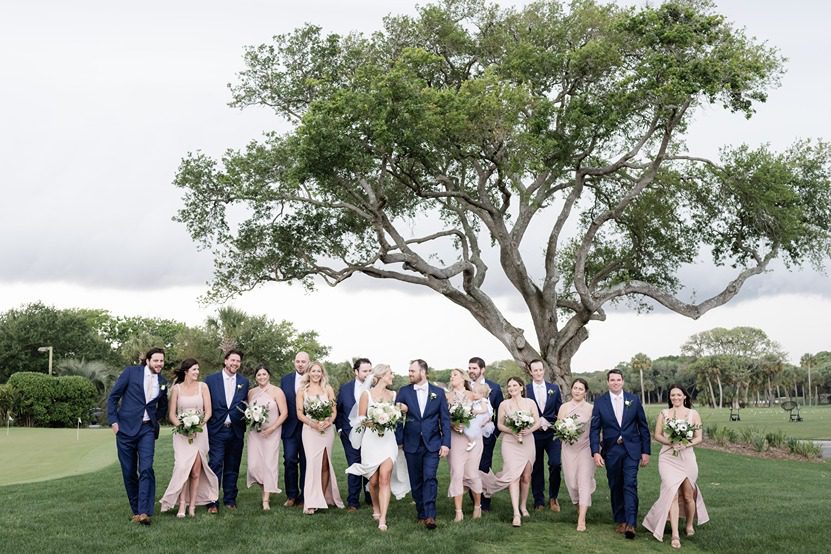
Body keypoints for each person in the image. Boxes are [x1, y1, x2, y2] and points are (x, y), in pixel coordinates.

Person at [107, 347, 169, 525]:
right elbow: (113, 397)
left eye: (162, 361)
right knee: (129, 472)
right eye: (156, 360)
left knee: (146, 468)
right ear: (148, 360)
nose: (159, 364)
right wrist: (114, 422)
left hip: (147, 430)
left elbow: (163, 405)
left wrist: (155, 419)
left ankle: (144, 512)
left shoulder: (163, 381)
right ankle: (136, 510)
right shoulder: (131, 372)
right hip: (125, 430)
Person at [345, 363, 411, 531]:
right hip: (371, 441)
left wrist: (401, 409)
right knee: (373, 481)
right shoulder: (366, 394)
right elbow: (360, 419)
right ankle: (375, 506)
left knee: (384, 478)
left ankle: (383, 518)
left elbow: (400, 411)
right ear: (381, 376)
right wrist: (375, 422)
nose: (392, 376)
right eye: (390, 374)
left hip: (388, 441)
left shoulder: (394, 394)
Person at [643, 385, 709, 549]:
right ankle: (675, 534)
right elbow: (657, 435)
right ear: (670, 397)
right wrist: (671, 442)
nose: (676, 398)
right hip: (667, 458)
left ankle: (689, 524)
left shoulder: (693, 414)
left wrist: (685, 444)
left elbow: (699, 437)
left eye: (679, 395)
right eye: (673, 395)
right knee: (671, 493)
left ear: (684, 397)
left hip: (687, 458)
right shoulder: (664, 414)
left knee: (688, 495)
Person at [590, 368, 651, 539]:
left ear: (623, 381)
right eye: (612, 380)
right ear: (608, 382)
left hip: (632, 449)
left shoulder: (634, 399)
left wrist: (645, 451)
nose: (615, 382)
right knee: (616, 485)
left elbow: (643, 426)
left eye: (618, 379)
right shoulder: (600, 402)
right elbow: (594, 429)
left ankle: (631, 523)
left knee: (630, 484)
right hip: (611, 450)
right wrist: (595, 452)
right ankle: (621, 520)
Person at [395, 359, 451, 530]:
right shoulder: (404, 391)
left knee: (429, 477)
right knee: (416, 480)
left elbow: (445, 420)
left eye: (412, 371)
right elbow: (397, 418)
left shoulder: (438, 393)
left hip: (432, 443)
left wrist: (446, 443)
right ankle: (421, 513)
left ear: (423, 372)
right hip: (411, 443)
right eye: (409, 371)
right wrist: (399, 441)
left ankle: (430, 515)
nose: (409, 374)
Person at [159, 359, 219, 517]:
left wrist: (198, 426)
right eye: (194, 369)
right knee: (182, 468)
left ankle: (192, 506)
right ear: (186, 371)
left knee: (195, 472)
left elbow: (208, 412)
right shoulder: (176, 389)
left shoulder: (203, 387)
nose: (197, 372)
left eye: (198, 369)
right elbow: (172, 414)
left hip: (200, 433)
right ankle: (181, 505)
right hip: (181, 435)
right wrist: (183, 427)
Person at [480, 376, 542, 528]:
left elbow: (537, 421)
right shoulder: (504, 404)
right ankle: (516, 513)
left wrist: (528, 430)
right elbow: (500, 425)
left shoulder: (530, 403)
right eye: (509, 386)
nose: (512, 388)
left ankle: (523, 506)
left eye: (515, 385)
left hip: (527, 441)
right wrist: (512, 431)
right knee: (514, 476)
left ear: (521, 387)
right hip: (510, 442)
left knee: (526, 476)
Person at [204, 349, 250, 512]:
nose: (235, 363)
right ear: (225, 361)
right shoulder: (211, 380)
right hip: (216, 430)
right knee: (215, 463)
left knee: (233, 465)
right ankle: (212, 501)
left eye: (238, 361)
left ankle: (230, 499)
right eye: (232, 360)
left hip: (236, 430)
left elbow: (245, 404)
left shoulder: (244, 382)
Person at [297, 361, 344, 514]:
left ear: (322, 373)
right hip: (310, 431)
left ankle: (321, 497)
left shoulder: (328, 389)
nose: (316, 374)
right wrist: (313, 424)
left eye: (319, 371)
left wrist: (328, 422)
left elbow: (333, 411)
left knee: (325, 463)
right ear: (308, 373)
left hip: (327, 430)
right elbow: (299, 413)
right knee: (312, 464)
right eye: (313, 371)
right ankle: (311, 501)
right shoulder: (302, 390)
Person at [246, 364, 288, 511]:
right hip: (255, 433)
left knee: (269, 465)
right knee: (253, 466)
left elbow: (284, 413)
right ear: (255, 377)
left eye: (264, 374)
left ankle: (266, 499)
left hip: (272, 433)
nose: (262, 377)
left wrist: (271, 429)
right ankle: (266, 486)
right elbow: (249, 411)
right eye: (259, 375)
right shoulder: (251, 393)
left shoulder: (277, 391)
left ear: (269, 375)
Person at [557, 378, 596, 531]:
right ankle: (580, 507)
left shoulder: (591, 408)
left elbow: (595, 430)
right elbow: (559, 427)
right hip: (568, 448)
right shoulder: (564, 407)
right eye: (575, 388)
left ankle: (581, 520)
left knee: (583, 481)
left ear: (585, 392)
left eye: (581, 389)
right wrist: (565, 433)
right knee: (572, 484)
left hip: (585, 448)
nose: (577, 391)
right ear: (571, 389)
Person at [445, 368, 484, 522]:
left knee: (472, 474)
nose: (452, 377)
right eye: (451, 375)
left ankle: (477, 506)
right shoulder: (447, 397)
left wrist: (472, 419)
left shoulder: (473, 395)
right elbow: (443, 417)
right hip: (455, 439)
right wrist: (452, 424)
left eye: (455, 375)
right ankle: (458, 512)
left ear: (463, 378)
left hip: (473, 439)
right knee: (457, 473)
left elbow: (485, 412)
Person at [336, 357, 373, 511]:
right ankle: (353, 501)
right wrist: (340, 429)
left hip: (371, 434)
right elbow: (339, 410)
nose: (368, 374)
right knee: (354, 465)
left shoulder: (375, 388)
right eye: (364, 371)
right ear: (356, 372)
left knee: (369, 465)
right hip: (349, 434)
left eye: (370, 370)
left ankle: (371, 497)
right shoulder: (345, 388)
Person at [526, 359, 564, 512]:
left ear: (544, 370)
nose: (538, 373)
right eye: (535, 370)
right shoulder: (526, 390)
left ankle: (553, 497)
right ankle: (538, 500)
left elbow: (559, 410)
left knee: (555, 463)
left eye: (540, 370)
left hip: (552, 434)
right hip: (534, 434)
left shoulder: (554, 388)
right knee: (536, 467)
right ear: (530, 372)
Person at [468, 356, 503, 512]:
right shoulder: (466, 386)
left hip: (487, 435)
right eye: (469, 368)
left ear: (482, 369)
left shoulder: (494, 387)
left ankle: (485, 500)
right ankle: (475, 499)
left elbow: (500, 412)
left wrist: (495, 433)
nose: (471, 371)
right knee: (471, 467)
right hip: (469, 435)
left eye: (474, 368)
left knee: (484, 466)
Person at [281, 351, 309, 507]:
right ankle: (291, 495)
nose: (300, 364)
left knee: (306, 462)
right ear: (294, 362)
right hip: (289, 428)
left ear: (308, 363)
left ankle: (305, 496)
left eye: (303, 361)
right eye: (298, 361)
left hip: (308, 428)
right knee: (290, 460)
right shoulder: (285, 380)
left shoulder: (314, 379)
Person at [463, 382, 493, 452]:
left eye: (475, 393)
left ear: (481, 394)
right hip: (477, 417)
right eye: (473, 392)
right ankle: (472, 441)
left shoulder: (483, 401)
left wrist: (476, 411)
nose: (473, 394)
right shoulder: (476, 401)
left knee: (471, 429)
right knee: (469, 429)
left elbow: (484, 410)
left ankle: (472, 442)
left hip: (482, 417)